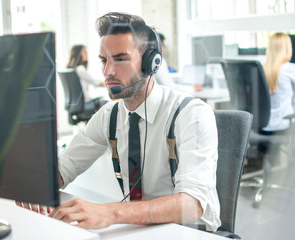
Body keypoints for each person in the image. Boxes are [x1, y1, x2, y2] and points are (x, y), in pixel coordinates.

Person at [19, 12, 221, 231]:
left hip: (189, 231)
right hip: (137, 229)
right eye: (104, 60)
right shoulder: (110, 114)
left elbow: (192, 205)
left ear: (151, 63)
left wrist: (110, 212)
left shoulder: (192, 114)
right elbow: (66, 166)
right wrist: (37, 186)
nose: (108, 72)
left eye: (121, 59)